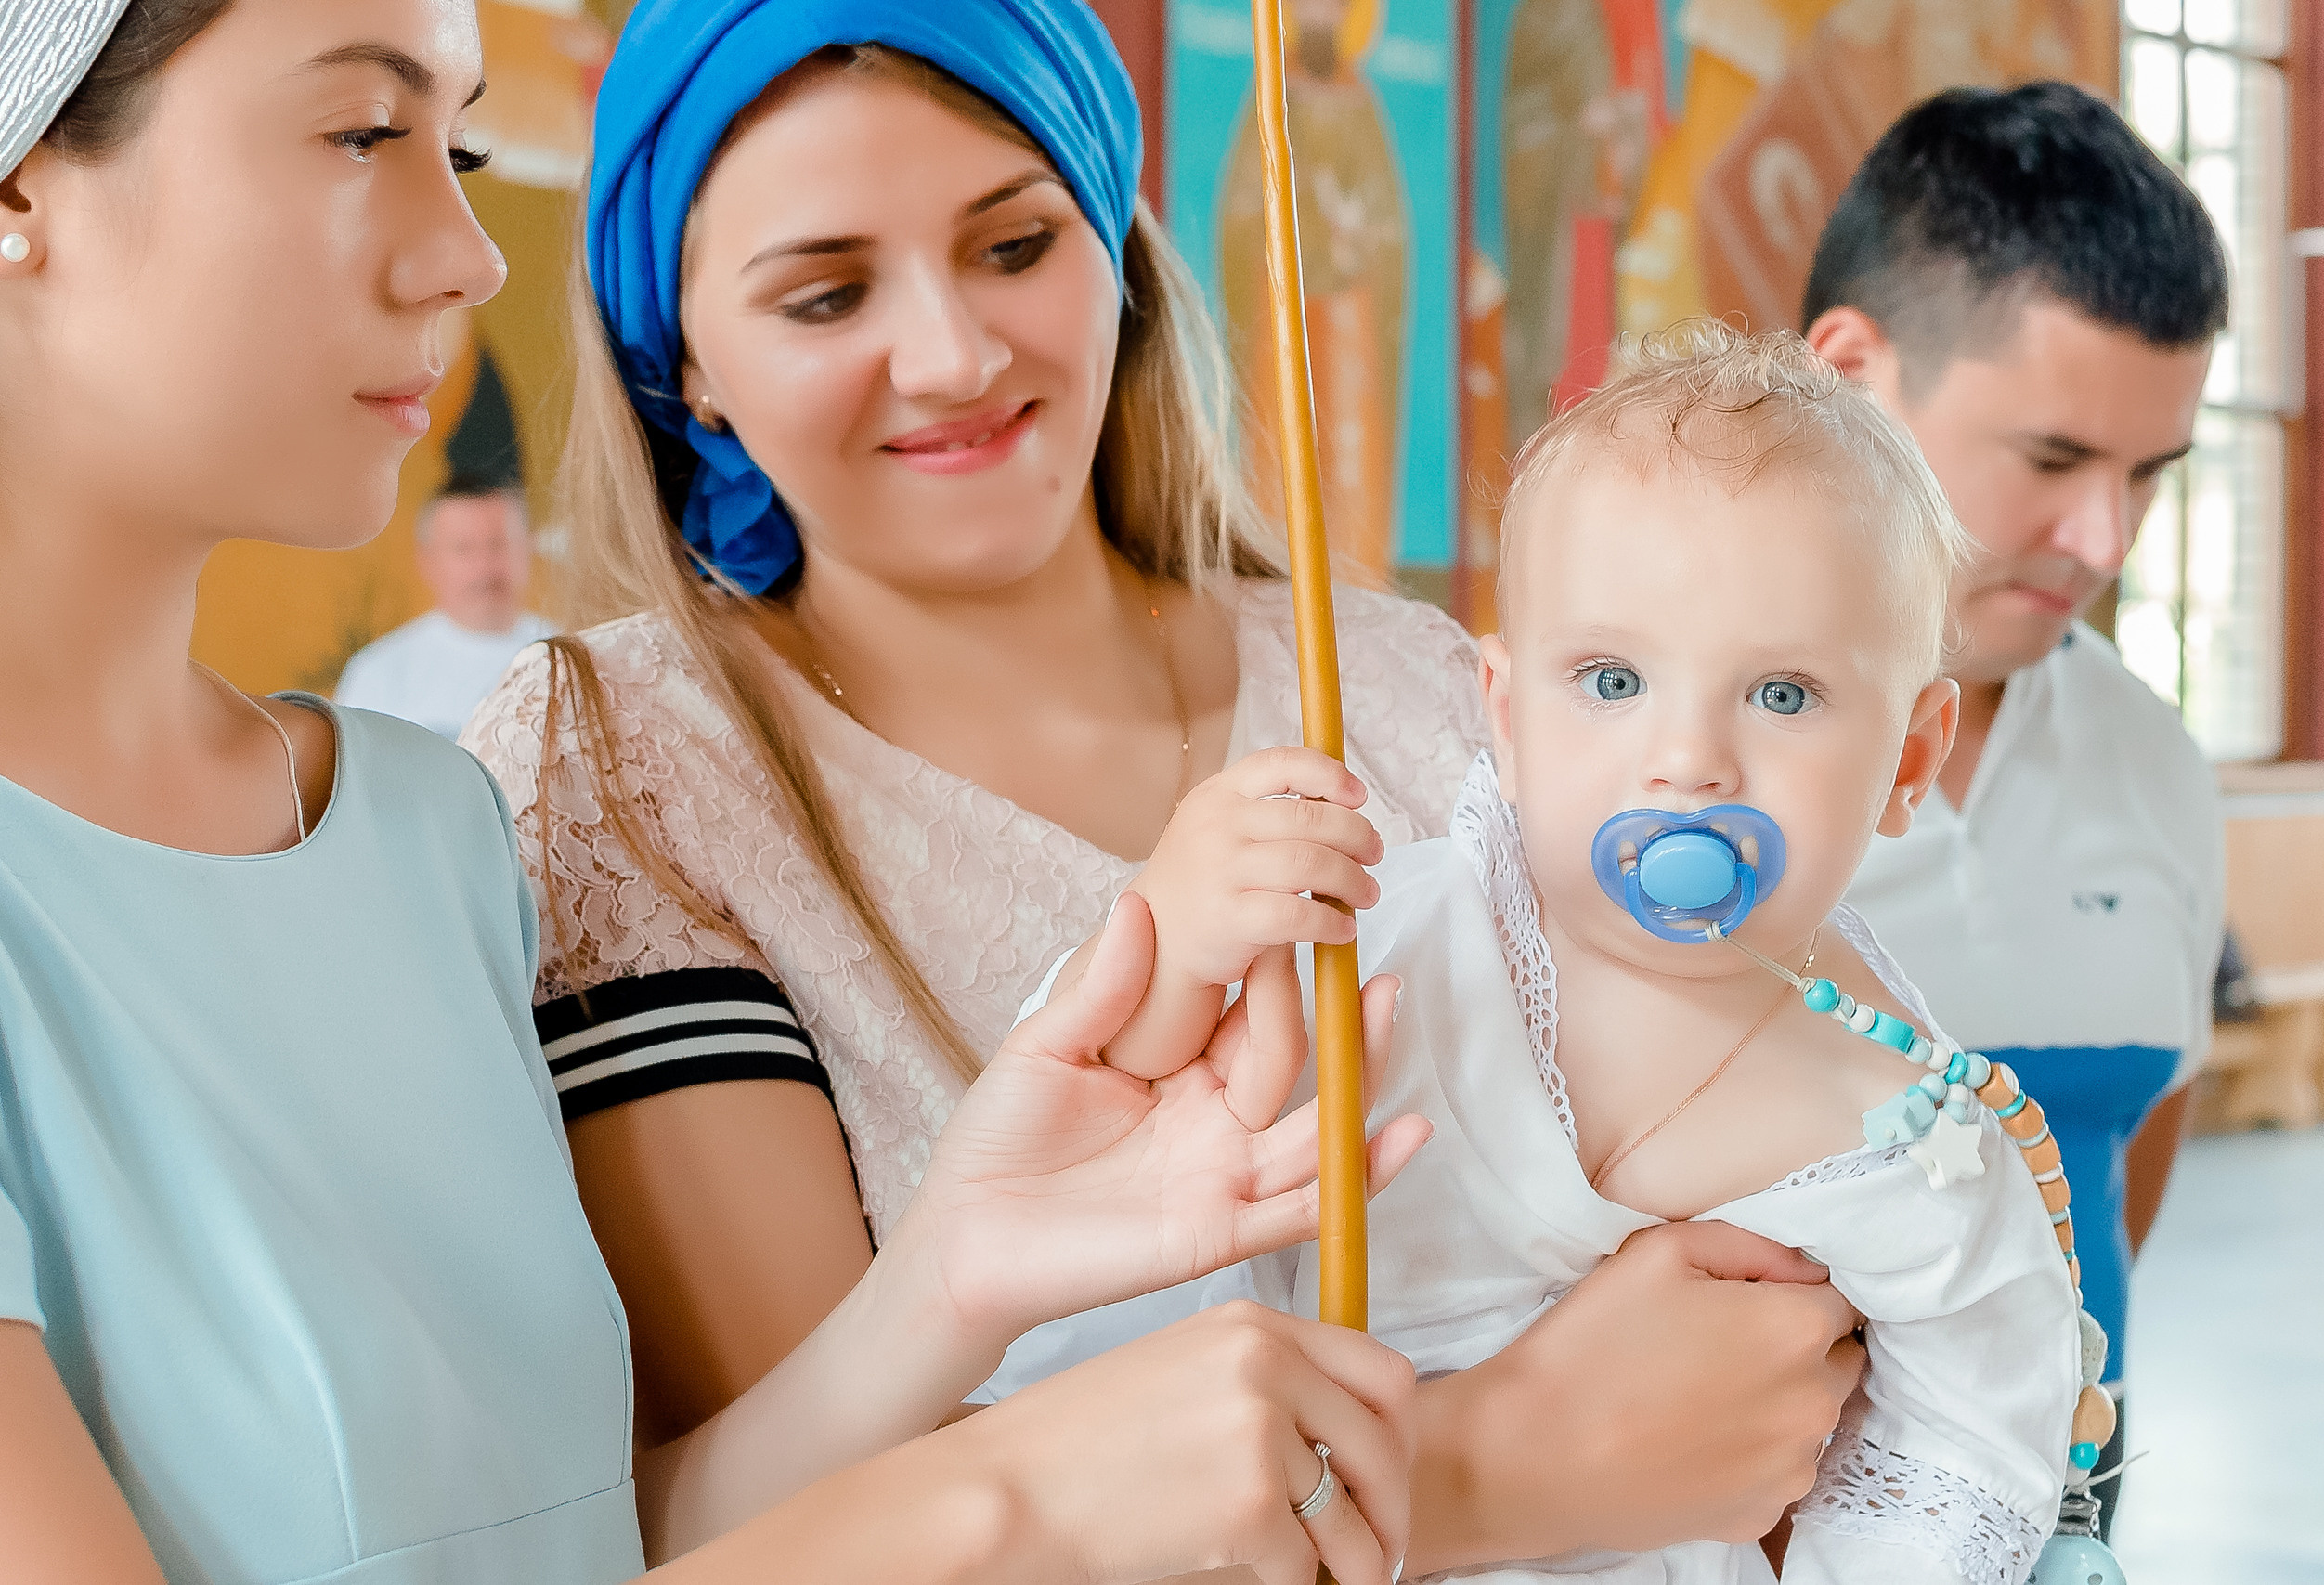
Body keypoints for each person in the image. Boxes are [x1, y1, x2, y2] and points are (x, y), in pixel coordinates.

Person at [0, 3, 1434, 1580]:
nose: (476, 258)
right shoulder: (602, 767)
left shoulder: (422, 837)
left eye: (463, 143)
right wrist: (1025, 1506)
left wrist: (956, 1273)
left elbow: (600, 1544)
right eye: (363, 132)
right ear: (18, 183)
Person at [465, 2, 1869, 1572]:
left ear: (1116, 251)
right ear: (686, 361)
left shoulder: (1412, 680)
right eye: (826, 292)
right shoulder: (624, 764)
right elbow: (797, 1529)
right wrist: (1476, 1474)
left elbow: (1788, 1148)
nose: (951, 354)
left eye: (1015, 246)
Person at [1068, 323, 2096, 1583]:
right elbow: (1136, 1194)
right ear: (1502, 714)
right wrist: (1183, 947)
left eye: (1782, 693)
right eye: (1611, 680)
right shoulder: (1389, 941)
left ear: (1911, 758)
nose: (1687, 760)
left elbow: (1974, 1445)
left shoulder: (1900, 1118)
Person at [1807, 83, 2228, 1531]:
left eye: (2148, 475)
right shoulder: (1647, 775)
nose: (2104, 539)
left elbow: (2121, 1162)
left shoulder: (2153, 760)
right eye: (2052, 461)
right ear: (1854, 374)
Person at [337, 487, 557, 739]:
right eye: (464, 549)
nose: (484, 566)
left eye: (499, 544)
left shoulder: (572, 658)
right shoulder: (378, 675)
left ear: (529, 548)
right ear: (428, 561)